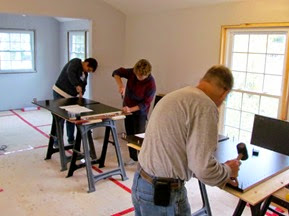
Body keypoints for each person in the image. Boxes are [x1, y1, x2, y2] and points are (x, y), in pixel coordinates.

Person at [132, 65, 240, 215]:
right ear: (225, 93)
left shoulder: (176, 95)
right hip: (163, 195)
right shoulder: (205, 105)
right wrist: (228, 170)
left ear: (203, 80)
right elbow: (203, 169)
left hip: (141, 183)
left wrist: (219, 174)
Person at [112, 59, 156, 165]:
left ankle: (143, 161)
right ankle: (133, 158)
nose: (139, 77)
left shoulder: (151, 84)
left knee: (139, 137)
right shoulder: (131, 72)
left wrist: (130, 109)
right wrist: (120, 85)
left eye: (142, 76)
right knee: (130, 134)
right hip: (127, 109)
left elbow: (145, 104)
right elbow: (116, 72)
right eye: (137, 75)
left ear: (147, 74)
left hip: (140, 112)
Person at [52, 57, 98, 145]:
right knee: (60, 118)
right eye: (88, 69)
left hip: (71, 97)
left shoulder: (85, 73)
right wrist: (76, 85)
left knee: (72, 117)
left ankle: (71, 139)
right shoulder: (76, 62)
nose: (87, 71)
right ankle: (57, 141)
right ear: (86, 63)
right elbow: (70, 73)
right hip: (60, 92)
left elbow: (84, 85)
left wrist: (81, 94)